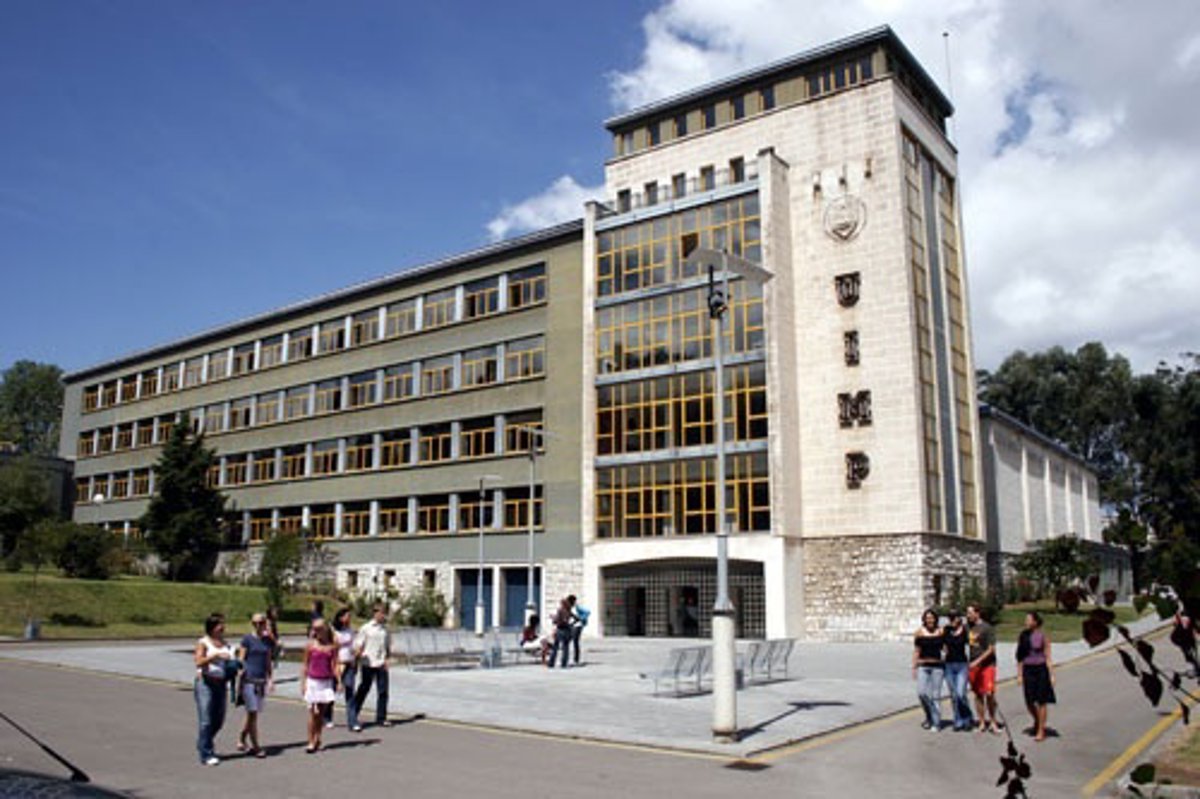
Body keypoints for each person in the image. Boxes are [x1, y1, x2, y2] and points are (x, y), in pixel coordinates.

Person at [193, 613, 235, 765]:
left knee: (218, 720)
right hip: (205, 683)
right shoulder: (203, 642)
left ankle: (203, 741)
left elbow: (230, 662)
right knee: (206, 720)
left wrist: (234, 665)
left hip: (221, 683)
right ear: (211, 627)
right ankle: (206, 754)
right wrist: (214, 656)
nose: (222, 627)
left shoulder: (226, 644)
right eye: (219, 625)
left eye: (223, 624)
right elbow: (198, 661)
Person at [236, 612, 273, 758]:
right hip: (249, 680)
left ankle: (241, 738)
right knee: (252, 713)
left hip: (261, 680)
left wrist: (270, 679)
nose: (258, 626)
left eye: (261, 623)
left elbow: (268, 661)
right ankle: (256, 746)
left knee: (252, 714)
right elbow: (241, 659)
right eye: (255, 623)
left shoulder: (267, 640)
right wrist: (240, 673)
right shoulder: (247, 639)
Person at [301, 619, 340, 753]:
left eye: (319, 629)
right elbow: (305, 665)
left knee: (321, 713)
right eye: (314, 629)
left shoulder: (332, 646)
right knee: (313, 713)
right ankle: (310, 741)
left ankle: (318, 738)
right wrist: (304, 684)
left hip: (326, 681)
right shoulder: (310, 646)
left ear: (325, 629)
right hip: (313, 681)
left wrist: (339, 681)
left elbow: (335, 665)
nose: (316, 631)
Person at [1017, 611, 1056, 742]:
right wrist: (1019, 675)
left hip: (1041, 669)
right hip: (1028, 669)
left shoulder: (1043, 636)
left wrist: (1051, 675)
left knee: (1041, 701)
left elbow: (1048, 656)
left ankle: (1041, 730)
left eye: (1028, 620)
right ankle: (1037, 720)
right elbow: (1020, 657)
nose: (1026, 622)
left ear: (1035, 622)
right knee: (1029, 701)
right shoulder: (1023, 636)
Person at [353, 603, 393, 728]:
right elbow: (359, 644)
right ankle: (353, 713)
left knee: (383, 691)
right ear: (375, 613)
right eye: (380, 612)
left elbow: (388, 646)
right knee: (364, 688)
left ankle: (381, 718)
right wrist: (356, 660)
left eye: (384, 613)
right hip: (368, 662)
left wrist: (387, 659)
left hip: (381, 663)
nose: (382, 615)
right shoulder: (366, 628)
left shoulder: (385, 630)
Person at [966, 603, 1001, 733]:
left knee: (989, 693)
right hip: (973, 665)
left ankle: (993, 721)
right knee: (978, 694)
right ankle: (981, 721)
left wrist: (978, 661)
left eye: (970, 613)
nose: (968, 616)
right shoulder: (969, 627)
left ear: (977, 613)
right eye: (967, 613)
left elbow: (991, 649)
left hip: (987, 665)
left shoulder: (987, 628)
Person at [912, 608, 945, 732]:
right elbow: (917, 651)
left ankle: (936, 723)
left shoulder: (941, 632)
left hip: (938, 667)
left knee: (935, 696)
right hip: (923, 666)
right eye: (927, 618)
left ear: (935, 619)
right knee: (922, 693)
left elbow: (946, 649)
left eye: (932, 618)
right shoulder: (919, 633)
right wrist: (914, 666)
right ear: (924, 620)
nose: (930, 620)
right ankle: (929, 715)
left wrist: (946, 658)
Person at [942, 609, 973, 731]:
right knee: (954, 695)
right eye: (950, 617)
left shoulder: (965, 630)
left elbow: (972, 643)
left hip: (962, 664)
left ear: (959, 618)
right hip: (949, 664)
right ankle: (958, 720)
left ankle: (967, 717)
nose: (952, 620)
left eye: (955, 617)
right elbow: (943, 644)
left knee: (961, 693)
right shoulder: (946, 630)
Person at [333, 607, 361, 732]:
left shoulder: (350, 631)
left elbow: (354, 646)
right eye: (347, 616)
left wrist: (356, 656)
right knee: (331, 691)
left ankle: (353, 721)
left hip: (349, 663)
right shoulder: (335, 632)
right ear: (341, 618)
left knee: (350, 692)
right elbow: (333, 649)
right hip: (338, 664)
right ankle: (326, 716)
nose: (349, 618)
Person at [547, 597, 574, 669]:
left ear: (562, 604)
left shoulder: (560, 610)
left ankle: (551, 662)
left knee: (555, 647)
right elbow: (575, 618)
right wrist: (571, 625)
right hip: (567, 630)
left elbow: (557, 620)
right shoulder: (569, 610)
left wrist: (553, 618)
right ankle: (564, 663)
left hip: (560, 629)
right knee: (565, 647)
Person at [568, 595, 590, 666]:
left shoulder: (576, 607)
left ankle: (576, 659)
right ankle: (571, 659)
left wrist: (581, 618)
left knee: (575, 642)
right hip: (571, 626)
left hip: (577, 626)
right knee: (570, 642)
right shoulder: (569, 607)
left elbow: (587, 612)